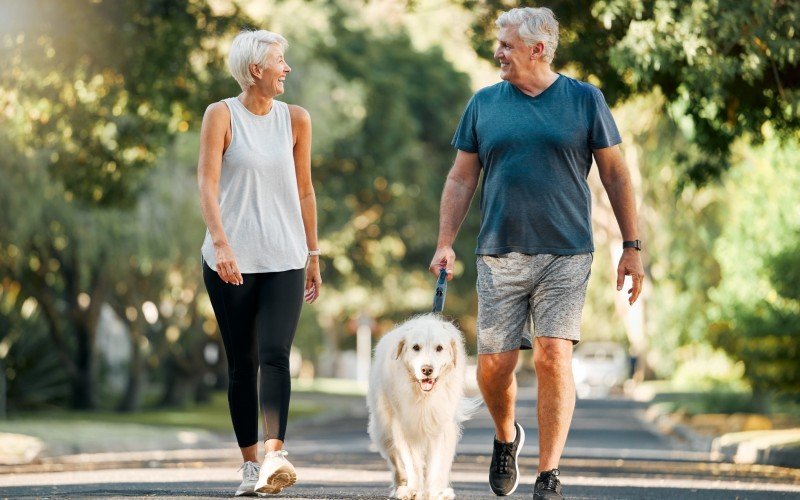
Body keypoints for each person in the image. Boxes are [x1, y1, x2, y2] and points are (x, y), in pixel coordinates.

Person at [428, 7, 644, 500]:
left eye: (506, 44)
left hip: (566, 251)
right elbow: (462, 178)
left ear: (537, 49)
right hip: (499, 251)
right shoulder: (484, 104)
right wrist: (445, 242)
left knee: (552, 355)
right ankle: (507, 438)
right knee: (494, 367)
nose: (498, 52)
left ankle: (549, 474)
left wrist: (631, 247)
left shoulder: (584, 100)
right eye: (498, 43)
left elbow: (615, 174)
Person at [197, 29, 321, 497]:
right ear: (255, 70)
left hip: (285, 256)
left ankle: (274, 457)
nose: (286, 68)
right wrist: (222, 244)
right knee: (242, 362)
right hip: (231, 260)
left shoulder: (296, 120)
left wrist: (312, 253)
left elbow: (306, 189)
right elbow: (207, 185)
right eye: (279, 61)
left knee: (275, 355)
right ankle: (250, 465)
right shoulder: (220, 115)